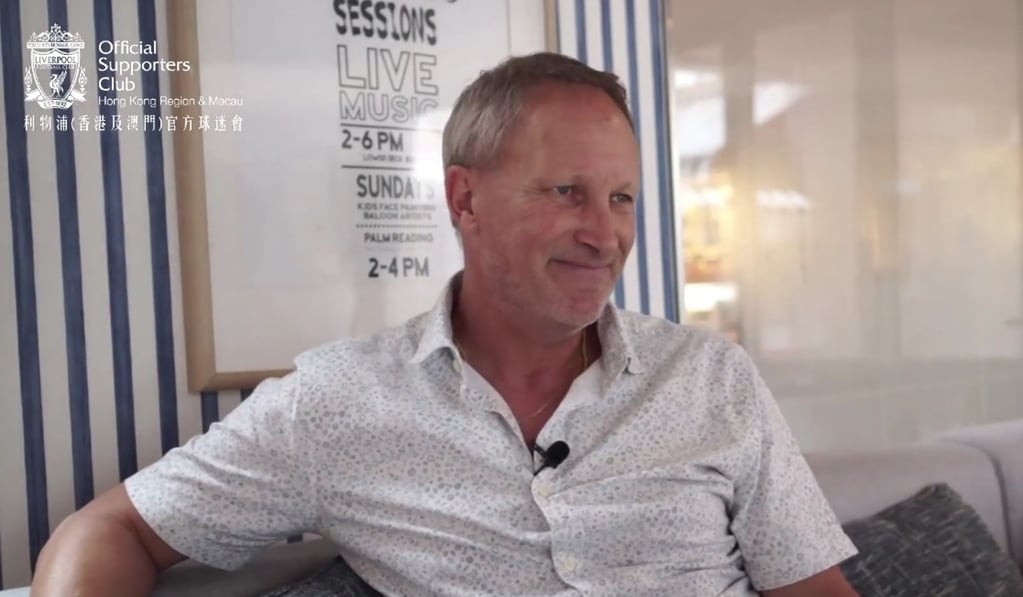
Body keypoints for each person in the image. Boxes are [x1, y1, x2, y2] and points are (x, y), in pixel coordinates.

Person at [32, 52, 858, 596]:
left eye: (620, 198)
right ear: (465, 198)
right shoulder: (339, 401)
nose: (604, 234)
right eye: (566, 191)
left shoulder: (711, 377)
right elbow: (112, 528)